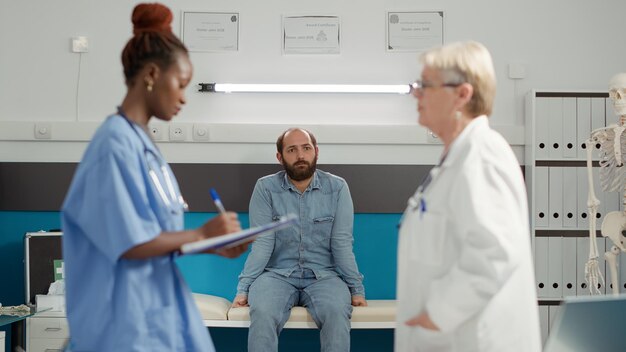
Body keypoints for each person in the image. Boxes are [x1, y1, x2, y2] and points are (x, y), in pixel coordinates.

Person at [61, 3, 247, 351]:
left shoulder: (144, 147)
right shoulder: (113, 145)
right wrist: (200, 233)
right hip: (122, 326)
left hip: (154, 315)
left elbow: (155, 238)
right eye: (181, 83)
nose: (184, 98)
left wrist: (208, 245)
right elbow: (128, 242)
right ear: (150, 75)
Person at [396, 41, 541, 352]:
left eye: (425, 85)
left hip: (472, 339)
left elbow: (494, 253)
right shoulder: (457, 159)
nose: (415, 93)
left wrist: (437, 315)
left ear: (462, 94)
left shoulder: (483, 155)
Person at [232, 128, 367, 352]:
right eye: (292, 150)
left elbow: (341, 243)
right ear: (280, 157)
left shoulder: (338, 187)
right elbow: (263, 243)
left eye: (306, 148)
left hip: (324, 276)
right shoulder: (265, 188)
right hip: (276, 275)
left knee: (336, 312)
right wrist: (243, 289)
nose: (300, 155)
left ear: (316, 152)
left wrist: (356, 290)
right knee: (263, 313)